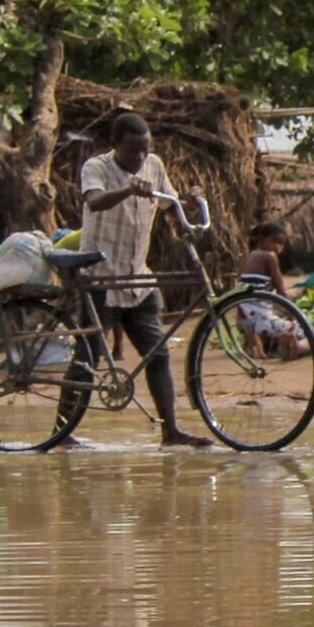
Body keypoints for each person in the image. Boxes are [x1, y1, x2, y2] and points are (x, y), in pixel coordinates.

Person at [78, 111, 211, 447]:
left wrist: (188, 202)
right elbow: (94, 201)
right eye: (132, 151)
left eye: (144, 150)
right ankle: (61, 434)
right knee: (86, 360)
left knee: (158, 355)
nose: (140, 157)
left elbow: (170, 205)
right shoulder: (96, 168)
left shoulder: (154, 165)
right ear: (115, 145)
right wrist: (127, 190)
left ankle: (171, 431)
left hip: (138, 278)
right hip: (101, 278)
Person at [239, 222, 305, 361]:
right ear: (262, 239)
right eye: (274, 242)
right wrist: (293, 315)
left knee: (272, 314)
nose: (278, 247)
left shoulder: (251, 255)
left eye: (282, 244)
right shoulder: (269, 256)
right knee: (301, 331)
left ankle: (253, 341)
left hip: (243, 319)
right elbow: (281, 292)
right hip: (257, 318)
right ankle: (267, 340)